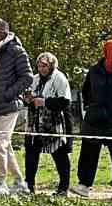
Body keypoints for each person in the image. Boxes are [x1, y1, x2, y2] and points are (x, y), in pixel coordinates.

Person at [73, 39, 112, 198]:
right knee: (89, 153)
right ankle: (84, 185)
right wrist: (94, 108)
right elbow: (86, 92)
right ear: (109, 55)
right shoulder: (94, 71)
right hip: (95, 120)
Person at [0, 19, 33, 196]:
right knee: (5, 145)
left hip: (8, 105)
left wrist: (8, 94)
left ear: (4, 33)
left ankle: (1, 182)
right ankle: (20, 182)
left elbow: (27, 77)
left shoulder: (16, 51)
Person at [22, 52, 73, 196]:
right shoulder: (35, 79)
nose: (41, 68)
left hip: (54, 123)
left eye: (44, 66)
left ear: (51, 66)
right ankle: (29, 186)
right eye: (39, 65)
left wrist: (45, 102)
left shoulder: (59, 78)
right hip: (35, 123)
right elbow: (28, 96)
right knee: (31, 154)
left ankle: (63, 188)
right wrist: (28, 99)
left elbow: (65, 101)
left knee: (59, 155)